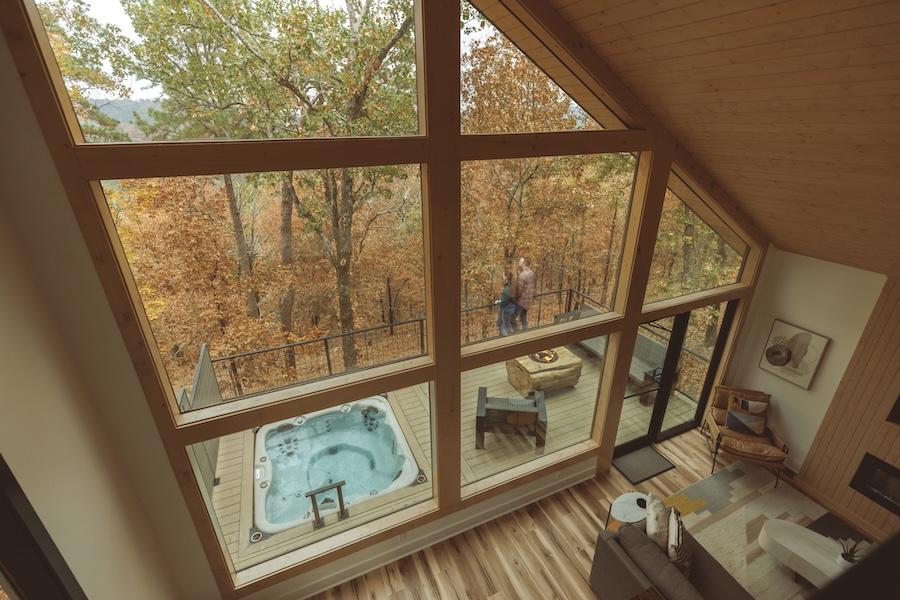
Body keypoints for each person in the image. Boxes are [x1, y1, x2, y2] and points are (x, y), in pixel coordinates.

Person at [512, 257, 534, 330]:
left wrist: (515, 299)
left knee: (512, 319)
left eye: (520, 261)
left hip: (522, 301)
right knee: (523, 316)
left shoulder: (522, 275)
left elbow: (519, 290)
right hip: (529, 299)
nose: (519, 262)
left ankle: (517, 334)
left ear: (524, 263)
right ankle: (526, 332)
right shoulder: (531, 272)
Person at [496, 271, 517, 336]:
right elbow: (509, 298)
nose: (502, 277)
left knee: (506, 328)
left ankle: (508, 341)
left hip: (507, 310)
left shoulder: (507, 288)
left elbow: (505, 302)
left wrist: (499, 302)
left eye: (503, 275)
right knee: (500, 323)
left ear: (505, 277)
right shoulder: (511, 285)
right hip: (511, 308)